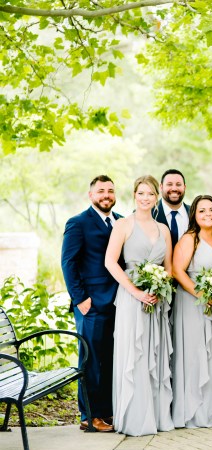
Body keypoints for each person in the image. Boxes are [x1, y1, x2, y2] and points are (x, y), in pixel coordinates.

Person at [104, 175, 174, 436]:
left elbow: (168, 268)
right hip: (131, 297)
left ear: (157, 197)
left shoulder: (163, 230)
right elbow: (110, 262)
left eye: (150, 194)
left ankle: (156, 416)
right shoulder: (123, 224)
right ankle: (134, 418)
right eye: (141, 193)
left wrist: (159, 287)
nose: (146, 198)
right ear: (134, 195)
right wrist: (136, 292)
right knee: (135, 353)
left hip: (156, 299)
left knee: (154, 352)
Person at [61, 175, 121, 432]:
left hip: (117, 302)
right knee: (91, 361)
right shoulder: (78, 223)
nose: (106, 195)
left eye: (110, 191)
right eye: (101, 191)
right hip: (91, 304)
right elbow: (68, 263)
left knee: (108, 360)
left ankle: (106, 411)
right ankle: (89, 415)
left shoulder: (120, 221)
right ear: (91, 195)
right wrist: (80, 299)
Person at [171, 195, 212, 428]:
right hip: (194, 304)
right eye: (202, 211)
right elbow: (177, 271)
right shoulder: (190, 238)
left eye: (211, 210)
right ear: (194, 216)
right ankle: (195, 412)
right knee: (197, 354)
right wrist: (200, 294)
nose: (207, 214)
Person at [152, 169, 190, 247]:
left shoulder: (195, 212)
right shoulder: (148, 213)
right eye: (169, 184)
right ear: (161, 187)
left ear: (184, 187)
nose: (174, 189)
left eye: (178, 184)